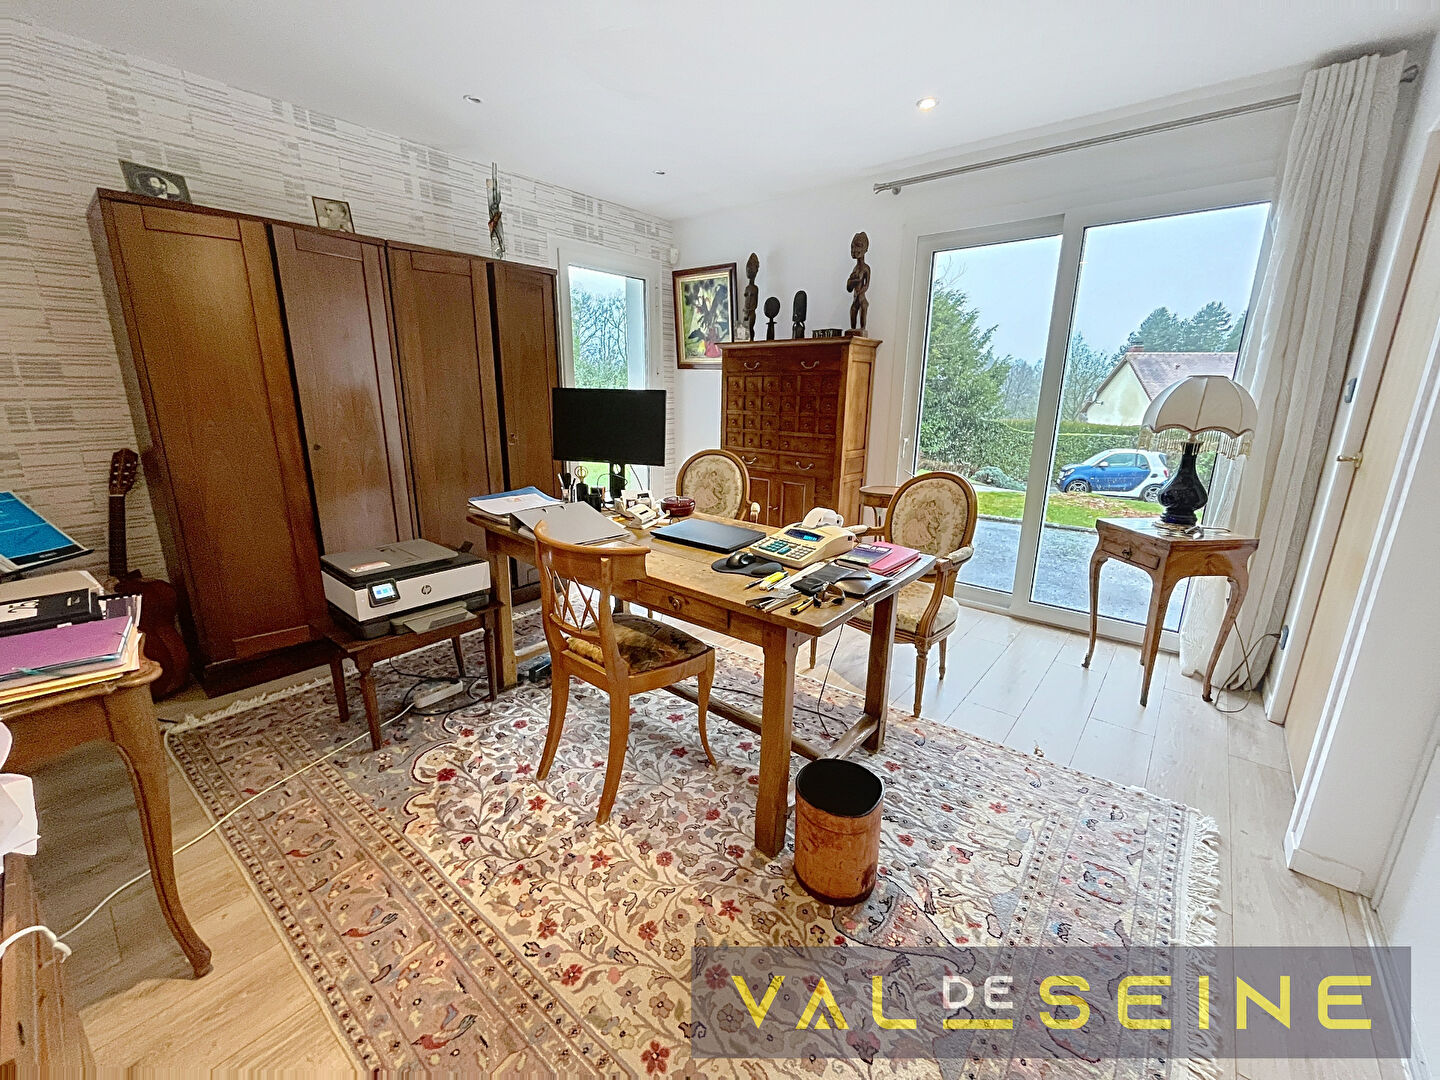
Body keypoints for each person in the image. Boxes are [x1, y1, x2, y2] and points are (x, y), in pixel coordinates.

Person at [846, 231, 870, 331]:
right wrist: (851, 281)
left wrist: (859, 292)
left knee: (862, 310)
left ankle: (862, 328)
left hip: (861, 298)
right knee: (853, 311)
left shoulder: (865, 268)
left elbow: (866, 285)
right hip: (855, 299)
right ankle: (853, 330)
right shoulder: (855, 269)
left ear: (865, 249)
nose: (854, 250)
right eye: (852, 247)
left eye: (858, 246)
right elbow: (849, 288)